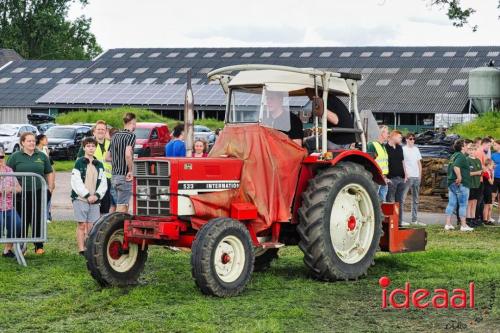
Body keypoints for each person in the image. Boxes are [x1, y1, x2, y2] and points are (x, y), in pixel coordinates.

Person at [7, 132, 55, 254]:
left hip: (38, 192)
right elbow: (7, 172)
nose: (32, 143)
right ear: (22, 142)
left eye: (33, 141)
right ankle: (22, 246)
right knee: (22, 219)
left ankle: (38, 246)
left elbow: (49, 171)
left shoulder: (42, 156)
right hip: (20, 194)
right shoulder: (15, 156)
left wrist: (50, 187)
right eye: (29, 141)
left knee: (38, 217)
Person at [71, 137, 107, 255]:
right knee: (81, 224)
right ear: (84, 148)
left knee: (92, 226)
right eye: (88, 146)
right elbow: (76, 181)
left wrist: (97, 195)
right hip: (81, 199)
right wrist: (87, 195)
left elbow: (103, 182)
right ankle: (81, 249)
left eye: (93, 146)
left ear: (95, 148)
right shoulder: (79, 162)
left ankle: (90, 247)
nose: (91, 148)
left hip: (95, 200)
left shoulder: (99, 164)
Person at [78, 121, 114, 214]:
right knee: (92, 209)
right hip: (92, 180)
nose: (100, 131)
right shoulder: (87, 144)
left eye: (103, 129)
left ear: (106, 131)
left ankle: (101, 227)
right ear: (94, 132)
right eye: (98, 129)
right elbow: (79, 162)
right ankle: (92, 227)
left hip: (107, 180)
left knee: (105, 209)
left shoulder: (111, 144)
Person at [106, 112, 136, 213]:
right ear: (132, 122)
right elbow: (128, 154)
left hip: (113, 176)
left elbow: (107, 157)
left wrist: (117, 159)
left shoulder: (115, 136)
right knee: (123, 207)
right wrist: (130, 170)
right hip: (124, 176)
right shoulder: (131, 136)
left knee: (115, 206)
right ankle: (121, 228)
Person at [444, 139, 473, 232]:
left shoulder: (454, 155)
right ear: (462, 147)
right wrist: (459, 177)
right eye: (466, 145)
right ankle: (463, 225)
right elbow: (456, 166)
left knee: (451, 203)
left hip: (451, 183)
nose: (467, 146)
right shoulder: (461, 156)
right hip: (461, 183)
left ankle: (448, 224)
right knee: (463, 204)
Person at [0, 147, 22, 258]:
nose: (0, 159)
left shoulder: (9, 170)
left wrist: (11, 189)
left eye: (1, 156)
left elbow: (19, 188)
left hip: (9, 207)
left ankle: (7, 250)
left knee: (17, 225)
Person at [385, 130, 408, 226]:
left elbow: (403, 161)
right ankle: (391, 224)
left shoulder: (399, 148)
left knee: (400, 202)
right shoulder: (385, 148)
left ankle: (399, 223)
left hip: (401, 178)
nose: (400, 138)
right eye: (399, 137)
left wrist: (406, 174)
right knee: (390, 201)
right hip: (391, 178)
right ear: (393, 136)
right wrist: (385, 177)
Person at [402, 133, 424, 226]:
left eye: (413, 139)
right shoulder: (403, 149)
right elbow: (402, 162)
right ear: (406, 139)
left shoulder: (416, 149)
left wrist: (420, 175)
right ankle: (400, 220)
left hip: (416, 177)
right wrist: (405, 174)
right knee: (403, 198)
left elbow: (418, 162)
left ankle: (414, 220)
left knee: (415, 199)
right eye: (410, 139)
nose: (412, 140)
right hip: (408, 177)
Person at [367, 125, 389, 201]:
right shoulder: (372, 145)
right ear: (381, 133)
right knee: (375, 200)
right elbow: (368, 162)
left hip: (383, 177)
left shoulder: (383, 146)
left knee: (383, 200)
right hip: (376, 178)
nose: (388, 135)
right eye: (387, 133)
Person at [36, 134, 54, 223]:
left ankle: (47, 215)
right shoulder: (36, 150)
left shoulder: (46, 149)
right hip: (40, 176)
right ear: (40, 140)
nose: (47, 141)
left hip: (46, 176)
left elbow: (50, 165)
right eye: (45, 139)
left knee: (48, 195)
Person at [474, 137, 493, 222]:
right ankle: (477, 218)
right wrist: (487, 169)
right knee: (479, 200)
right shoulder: (479, 152)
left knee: (480, 200)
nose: (489, 147)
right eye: (488, 145)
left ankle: (479, 217)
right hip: (479, 179)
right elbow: (480, 165)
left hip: (481, 178)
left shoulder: (482, 153)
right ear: (484, 144)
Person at [466, 142, 483, 227]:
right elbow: (467, 173)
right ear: (468, 151)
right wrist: (477, 172)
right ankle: (468, 219)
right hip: (470, 184)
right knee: (470, 202)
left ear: (476, 150)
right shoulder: (467, 160)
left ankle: (473, 218)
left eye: (473, 150)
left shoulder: (478, 160)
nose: (472, 151)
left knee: (475, 202)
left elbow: (481, 172)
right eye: (470, 150)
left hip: (477, 184)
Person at [482, 159, 495, 225]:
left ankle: (487, 219)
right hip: (487, 189)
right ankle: (485, 219)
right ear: (489, 164)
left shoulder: (488, 171)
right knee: (486, 205)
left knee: (488, 205)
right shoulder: (486, 172)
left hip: (488, 189)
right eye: (492, 165)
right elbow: (491, 182)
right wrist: (493, 174)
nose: (493, 166)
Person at [492, 140, 500, 223]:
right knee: (492, 197)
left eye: (495, 145)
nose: (493, 146)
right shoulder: (493, 155)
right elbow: (489, 165)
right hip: (494, 178)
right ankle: (489, 216)